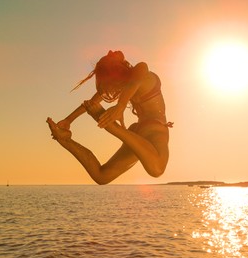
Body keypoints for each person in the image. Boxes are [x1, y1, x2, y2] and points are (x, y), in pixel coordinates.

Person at [47, 50, 172, 184]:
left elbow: (134, 83)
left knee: (103, 176)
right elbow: (91, 103)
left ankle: (111, 129)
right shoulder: (124, 84)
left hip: (144, 129)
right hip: (152, 128)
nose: (113, 87)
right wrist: (68, 120)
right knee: (156, 169)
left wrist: (121, 105)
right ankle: (68, 140)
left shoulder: (140, 69)